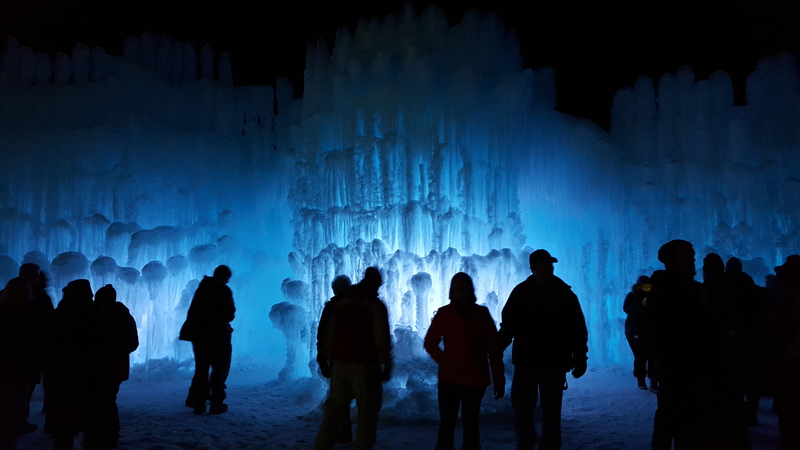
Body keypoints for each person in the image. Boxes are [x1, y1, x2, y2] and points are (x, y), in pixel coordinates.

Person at [498, 249, 588, 450]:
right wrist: (495, 347)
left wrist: (581, 357)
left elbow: (577, 328)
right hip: (528, 360)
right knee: (522, 405)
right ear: (533, 268)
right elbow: (508, 325)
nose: (549, 267)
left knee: (551, 410)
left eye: (550, 264)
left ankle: (549, 445)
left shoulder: (564, 293)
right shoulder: (521, 293)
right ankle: (527, 440)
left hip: (553, 362)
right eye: (544, 264)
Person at [424, 272, 505, 450]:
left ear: (470, 290)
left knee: (470, 424)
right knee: (447, 424)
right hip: (450, 379)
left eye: (464, 289)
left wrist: (498, 378)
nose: (460, 293)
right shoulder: (444, 314)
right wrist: (445, 360)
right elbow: (430, 342)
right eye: (457, 289)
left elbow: (493, 349)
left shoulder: (481, 314)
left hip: (474, 379)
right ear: (452, 291)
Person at [314, 267, 393, 450]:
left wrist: (325, 357)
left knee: (334, 414)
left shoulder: (342, 302)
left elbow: (329, 333)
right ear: (375, 283)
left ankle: (321, 446)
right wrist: (386, 364)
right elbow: (382, 338)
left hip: (340, 365)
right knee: (367, 414)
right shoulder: (374, 304)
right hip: (364, 365)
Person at [647, 240, 710, 450]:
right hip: (685, 366)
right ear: (675, 260)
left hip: (668, 365)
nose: (693, 262)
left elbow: (633, 301)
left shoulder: (654, 285)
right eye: (688, 257)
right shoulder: (691, 290)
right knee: (687, 424)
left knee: (666, 419)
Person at [84, 284, 138, 449]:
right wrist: (121, 354)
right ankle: (112, 435)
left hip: (100, 368)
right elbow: (134, 343)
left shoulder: (98, 316)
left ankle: (99, 436)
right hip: (118, 368)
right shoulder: (125, 316)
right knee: (109, 401)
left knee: (99, 402)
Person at [45, 279, 97, 450]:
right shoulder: (94, 312)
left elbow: (50, 340)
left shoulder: (61, 312)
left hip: (61, 369)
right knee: (85, 408)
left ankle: (64, 439)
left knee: (64, 408)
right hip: (85, 369)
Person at [179, 265, 235, 415]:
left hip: (199, 336)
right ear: (224, 277)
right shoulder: (223, 290)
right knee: (220, 370)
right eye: (227, 279)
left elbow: (193, 313)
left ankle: (198, 404)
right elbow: (229, 314)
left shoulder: (202, 289)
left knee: (201, 370)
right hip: (217, 336)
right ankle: (216, 405)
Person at [0, 277, 38, 450]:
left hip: (13, 369)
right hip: (17, 370)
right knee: (11, 409)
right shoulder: (24, 314)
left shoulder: (10, 311)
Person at [316, 274, 353, 443]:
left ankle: (343, 429)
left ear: (334, 289)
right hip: (357, 358)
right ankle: (361, 435)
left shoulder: (331, 307)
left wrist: (322, 359)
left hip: (337, 358)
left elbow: (322, 335)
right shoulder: (359, 305)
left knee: (340, 395)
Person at [623, 275, 654, 390]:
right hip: (635, 332)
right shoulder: (632, 296)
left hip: (648, 332)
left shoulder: (653, 296)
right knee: (640, 356)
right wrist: (641, 305)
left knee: (652, 356)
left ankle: (653, 379)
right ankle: (641, 379)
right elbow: (627, 309)